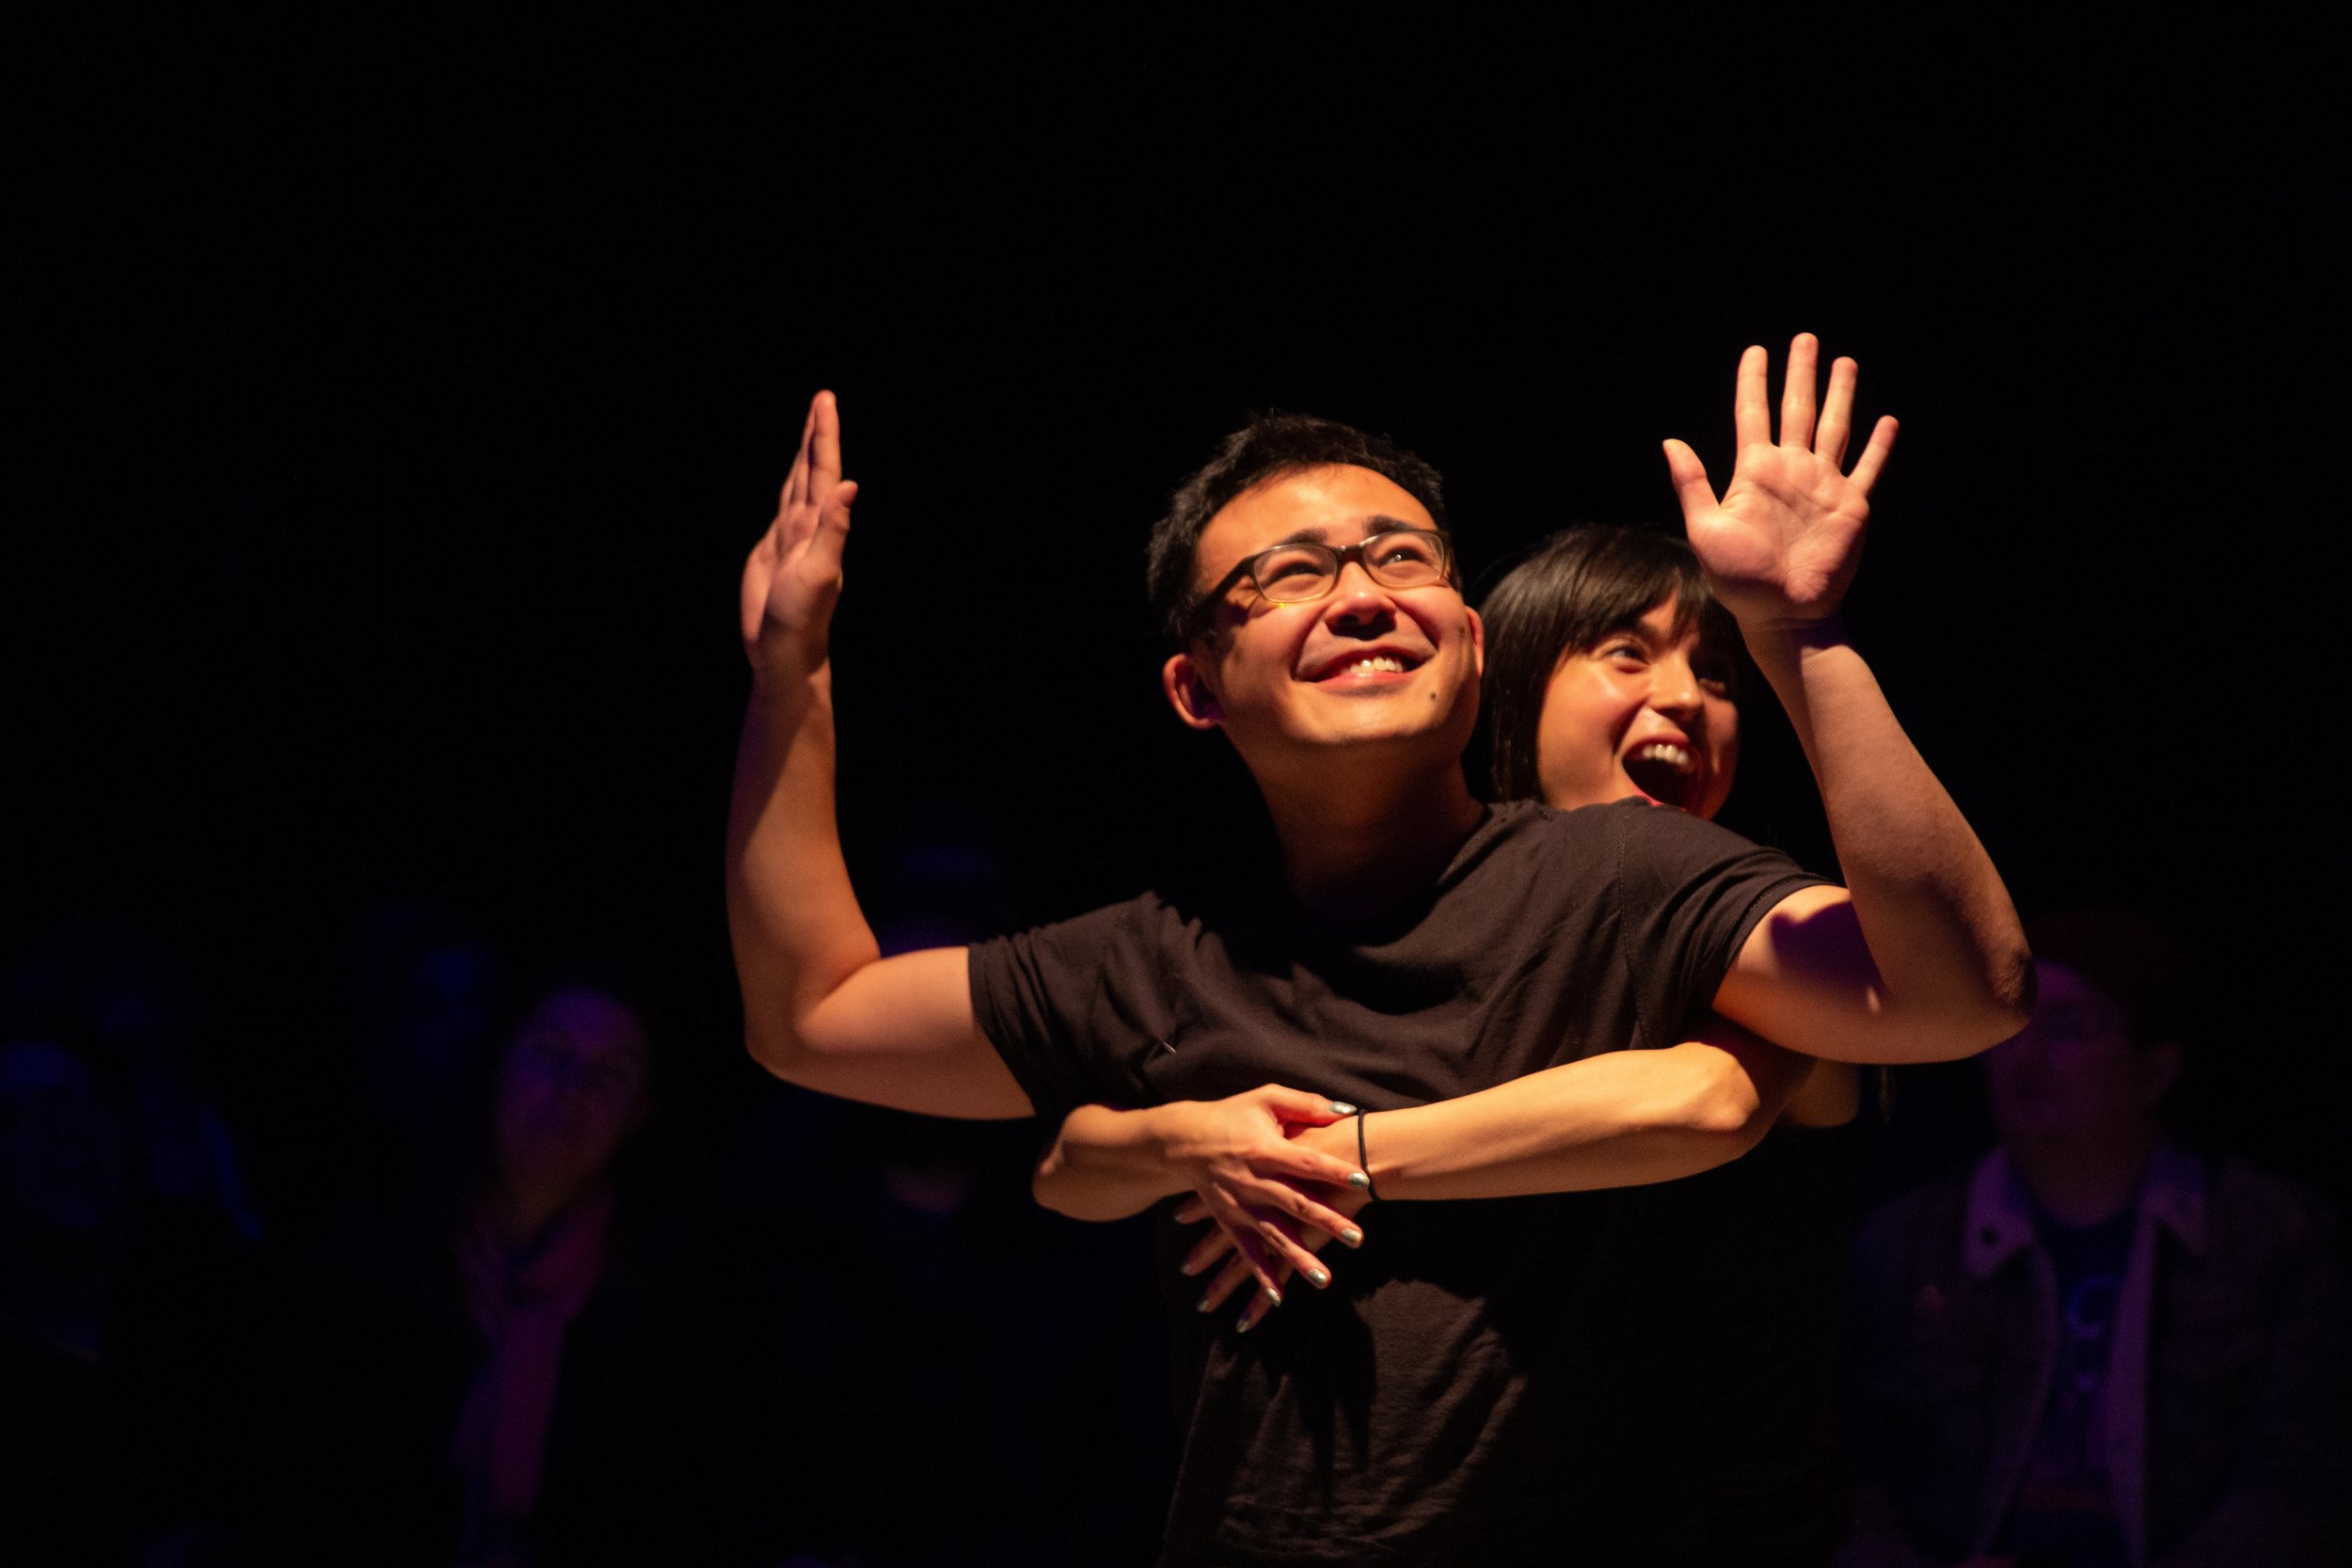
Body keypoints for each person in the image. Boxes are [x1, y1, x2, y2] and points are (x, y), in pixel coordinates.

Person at [726, 335, 2032, 1564]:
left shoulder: (1630, 874)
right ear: (1195, 685)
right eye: (1290, 572)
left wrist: (1802, 637)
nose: (1360, 594)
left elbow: (1958, 993)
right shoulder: (1159, 955)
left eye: (1402, 559)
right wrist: (792, 670)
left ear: (1469, 640)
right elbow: (813, 1013)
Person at [1840, 911, 2352, 1567]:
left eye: (2069, 1029)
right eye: (2010, 1027)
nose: (2025, 1056)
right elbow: (1853, 1487)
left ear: (2154, 1072)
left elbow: (2298, 1484)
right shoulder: (1906, 1244)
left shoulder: (2271, 1237)